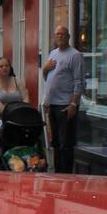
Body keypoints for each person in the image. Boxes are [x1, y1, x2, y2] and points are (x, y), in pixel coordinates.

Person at [41, 25, 85, 173]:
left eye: (62, 34)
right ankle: (57, 173)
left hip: (65, 105)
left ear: (68, 37)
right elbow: (47, 79)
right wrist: (45, 68)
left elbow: (79, 82)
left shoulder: (75, 55)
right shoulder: (53, 53)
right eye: (57, 34)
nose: (59, 36)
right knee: (56, 142)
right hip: (52, 104)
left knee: (66, 143)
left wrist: (74, 103)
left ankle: (66, 175)